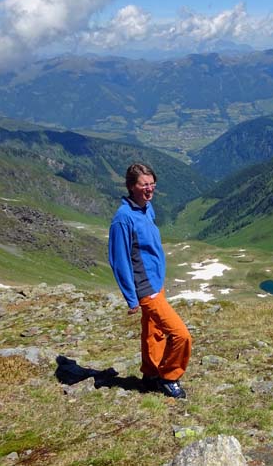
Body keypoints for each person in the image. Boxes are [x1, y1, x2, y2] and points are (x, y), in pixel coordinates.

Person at [108, 163, 191, 398]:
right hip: (146, 288)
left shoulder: (146, 208)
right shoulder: (123, 219)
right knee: (181, 334)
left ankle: (151, 373)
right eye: (144, 185)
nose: (150, 189)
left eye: (152, 184)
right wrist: (131, 297)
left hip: (157, 283)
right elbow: (119, 259)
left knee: (154, 332)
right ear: (131, 186)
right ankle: (169, 377)